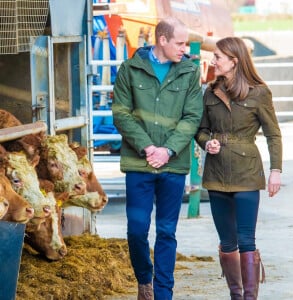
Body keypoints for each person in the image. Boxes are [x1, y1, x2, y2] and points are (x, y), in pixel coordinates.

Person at [112, 17, 203, 300]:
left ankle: (163, 293)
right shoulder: (130, 69)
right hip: (139, 163)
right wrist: (148, 147)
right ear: (162, 40)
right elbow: (121, 113)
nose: (184, 48)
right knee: (137, 230)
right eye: (179, 42)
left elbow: (192, 117)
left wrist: (168, 150)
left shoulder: (189, 71)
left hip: (173, 166)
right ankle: (144, 279)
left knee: (167, 231)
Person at [195, 36, 282, 300]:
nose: (213, 61)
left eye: (218, 57)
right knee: (227, 243)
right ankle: (235, 294)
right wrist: (206, 142)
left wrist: (275, 171)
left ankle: (250, 297)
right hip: (216, 174)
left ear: (234, 61)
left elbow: (273, 135)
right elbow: (201, 130)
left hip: (246, 173)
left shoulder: (259, 92)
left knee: (247, 240)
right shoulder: (210, 92)